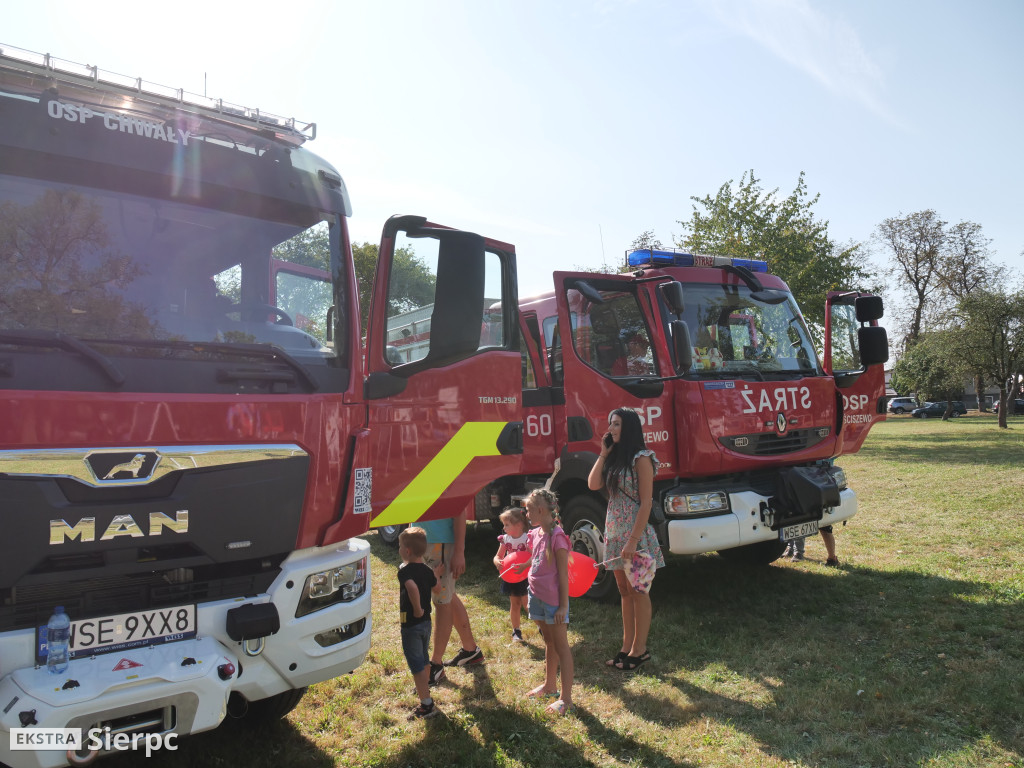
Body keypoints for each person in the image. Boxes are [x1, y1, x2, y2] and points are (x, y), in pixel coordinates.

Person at [588, 407, 666, 671]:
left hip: (636, 535)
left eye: (617, 424)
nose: (611, 428)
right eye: (610, 423)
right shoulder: (614, 458)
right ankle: (626, 646)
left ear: (629, 427)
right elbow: (592, 484)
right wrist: (603, 453)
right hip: (614, 532)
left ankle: (640, 650)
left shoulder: (642, 458)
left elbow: (645, 503)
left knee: (639, 590)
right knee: (624, 591)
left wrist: (632, 541)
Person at [515, 488, 574, 715]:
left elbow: (562, 574)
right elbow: (538, 558)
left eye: (528, 510)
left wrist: (563, 606)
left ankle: (566, 699)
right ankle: (550, 686)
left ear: (540, 510)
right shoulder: (538, 533)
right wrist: (525, 566)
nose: (526, 514)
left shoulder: (557, 537)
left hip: (553, 602)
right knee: (548, 642)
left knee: (561, 646)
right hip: (536, 595)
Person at [419, 508, 484, 686]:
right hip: (423, 540)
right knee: (447, 595)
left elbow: (459, 511)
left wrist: (459, 551)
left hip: (440, 543)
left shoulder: (446, 480)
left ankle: (436, 665)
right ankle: (471, 650)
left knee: (442, 601)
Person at [397, 527, 442, 719]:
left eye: (400, 546)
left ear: (407, 551)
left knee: (416, 664)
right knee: (423, 659)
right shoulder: (427, 570)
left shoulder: (405, 572)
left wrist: (416, 608)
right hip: (426, 623)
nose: (398, 549)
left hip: (411, 624)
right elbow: (438, 589)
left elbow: (412, 587)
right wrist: (436, 574)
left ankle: (426, 705)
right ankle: (425, 689)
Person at [492, 506, 530, 643]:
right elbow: (498, 556)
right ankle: (516, 631)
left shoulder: (527, 539)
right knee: (515, 603)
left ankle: (540, 626)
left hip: (525, 575)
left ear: (519, 525)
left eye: (507, 525)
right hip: (512, 576)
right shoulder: (506, 539)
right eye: (504, 525)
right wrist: (497, 562)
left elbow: (532, 556)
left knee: (527, 604)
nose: (504, 528)